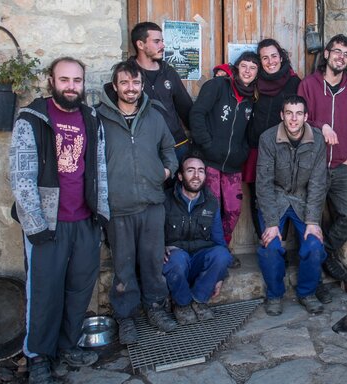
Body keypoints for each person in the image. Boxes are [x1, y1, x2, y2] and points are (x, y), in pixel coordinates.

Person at [9, 57, 109, 384]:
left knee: (80, 287)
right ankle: (38, 358)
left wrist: (101, 213)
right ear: (51, 81)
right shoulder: (32, 118)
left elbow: (99, 169)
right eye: (64, 80)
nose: (71, 86)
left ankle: (67, 346)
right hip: (48, 223)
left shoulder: (90, 118)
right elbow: (21, 175)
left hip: (84, 219)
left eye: (77, 80)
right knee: (44, 291)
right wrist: (34, 225)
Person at [97, 60, 179, 344]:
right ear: (115, 86)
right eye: (124, 83)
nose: (130, 89)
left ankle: (156, 308)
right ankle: (126, 316)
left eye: (135, 83)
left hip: (152, 204)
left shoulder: (154, 115)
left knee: (153, 262)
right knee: (123, 265)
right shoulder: (99, 118)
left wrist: (166, 171)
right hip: (118, 207)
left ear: (142, 85)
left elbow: (169, 148)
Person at [297, 34, 347, 299]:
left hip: (341, 164)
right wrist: (320, 126)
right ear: (326, 54)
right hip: (312, 165)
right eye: (337, 51)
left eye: (346, 54)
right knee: (309, 221)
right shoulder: (309, 84)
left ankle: (325, 255)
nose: (341, 57)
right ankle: (314, 283)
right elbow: (299, 119)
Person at [256, 95, 327, 316]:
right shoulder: (268, 138)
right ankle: (275, 295)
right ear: (282, 115)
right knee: (271, 245)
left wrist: (313, 221)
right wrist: (270, 222)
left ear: (306, 116)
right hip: (275, 197)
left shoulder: (317, 140)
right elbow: (264, 182)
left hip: (303, 198)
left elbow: (318, 182)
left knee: (314, 244)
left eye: (298, 114)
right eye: (289, 113)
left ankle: (307, 292)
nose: (293, 119)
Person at [190, 52, 258, 265]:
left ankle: (222, 247)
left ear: (257, 73)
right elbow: (197, 114)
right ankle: (211, 253)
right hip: (209, 161)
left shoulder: (252, 99)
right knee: (211, 208)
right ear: (236, 69)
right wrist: (207, 145)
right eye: (243, 66)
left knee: (233, 209)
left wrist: (243, 152)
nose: (247, 71)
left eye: (252, 67)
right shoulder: (217, 87)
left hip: (233, 165)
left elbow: (250, 132)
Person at [162, 155, 233, 325]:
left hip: (199, 258)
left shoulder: (211, 202)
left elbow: (218, 240)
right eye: (190, 170)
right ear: (180, 176)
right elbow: (153, 232)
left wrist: (220, 275)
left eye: (201, 171)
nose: (196, 176)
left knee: (223, 254)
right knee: (177, 259)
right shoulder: (165, 200)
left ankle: (198, 300)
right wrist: (159, 246)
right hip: (176, 261)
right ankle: (183, 304)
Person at [244, 39, 302, 240]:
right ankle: (266, 242)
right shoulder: (254, 81)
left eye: (274, 56)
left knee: (282, 196)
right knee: (259, 197)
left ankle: (281, 244)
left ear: (281, 56)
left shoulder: (294, 82)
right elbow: (234, 77)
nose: (270, 62)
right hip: (256, 149)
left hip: (283, 150)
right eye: (265, 58)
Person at [128, 22, 193, 160]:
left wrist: (199, 138)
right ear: (140, 44)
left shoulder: (168, 72)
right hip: (145, 147)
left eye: (162, 41)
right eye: (157, 41)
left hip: (177, 144)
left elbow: (186, 108)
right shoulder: (127, 73)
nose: (163, 46)